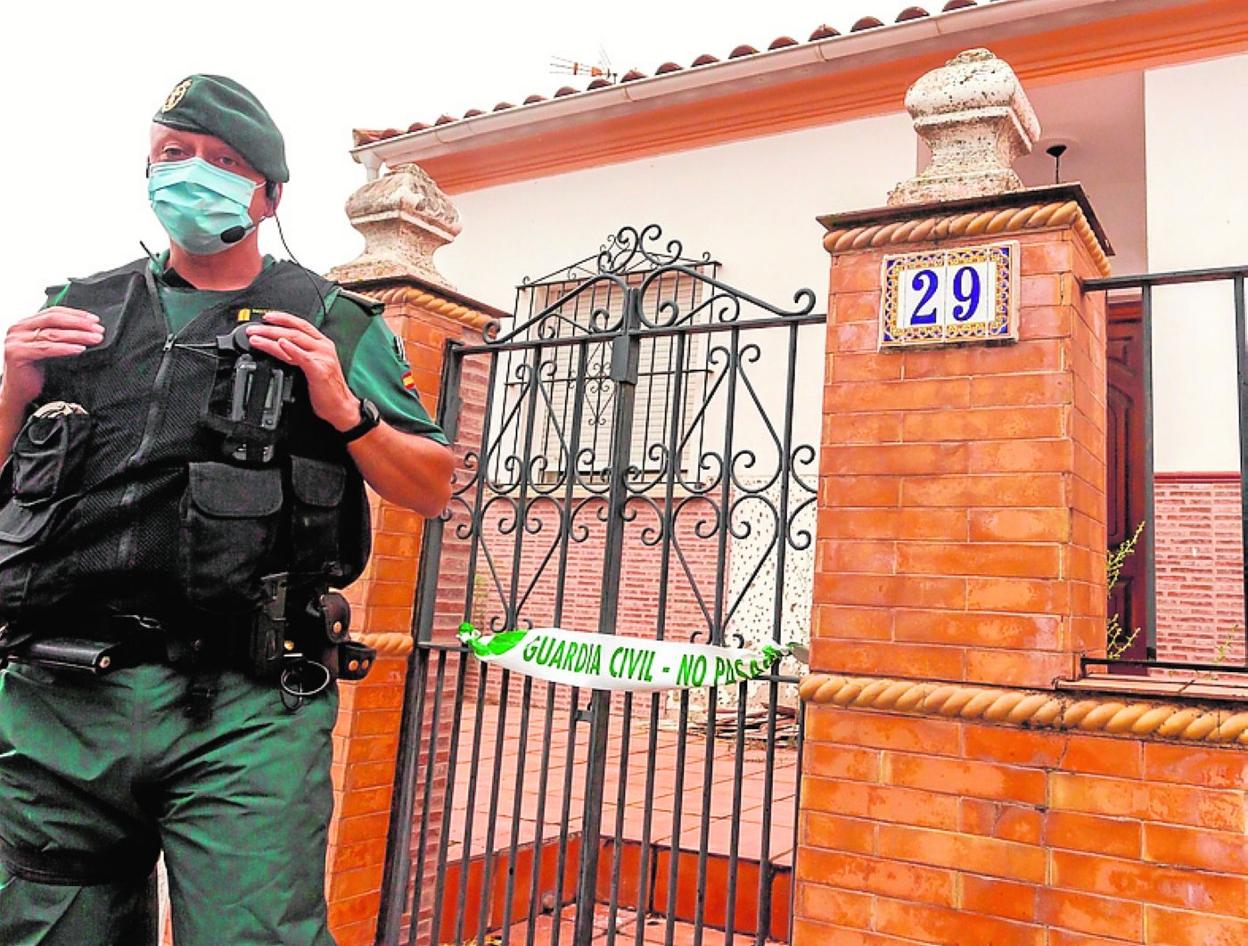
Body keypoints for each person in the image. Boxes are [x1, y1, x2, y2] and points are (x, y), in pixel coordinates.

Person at [0, 74, 454, 946]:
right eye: (173, 154)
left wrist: (343, 409)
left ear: (269, 195)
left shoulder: (328, 320)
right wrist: (12, 394)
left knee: (252, 934)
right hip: (59, 699)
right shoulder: (74, 310)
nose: (192, 173)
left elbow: (431, 484)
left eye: (224, 161)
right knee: (46, 928)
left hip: (244, 708)